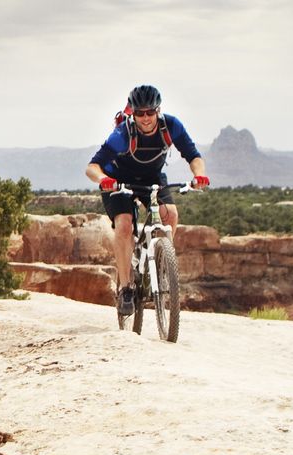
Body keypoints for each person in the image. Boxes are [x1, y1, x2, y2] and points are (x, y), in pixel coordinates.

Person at [84, 84, 210, 319]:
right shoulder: (123, 134)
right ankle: (125, 288)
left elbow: (193, 155)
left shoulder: (171, 126)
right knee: (123, 224)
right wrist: (104, 180)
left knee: (170, 214)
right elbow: (92, 167)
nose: (145, 118)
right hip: (119, 179)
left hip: (152, 178)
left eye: (149, 112)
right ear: (132, 113)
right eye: (139, 113)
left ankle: (163, 261)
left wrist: (198, 175)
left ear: (157, 111)